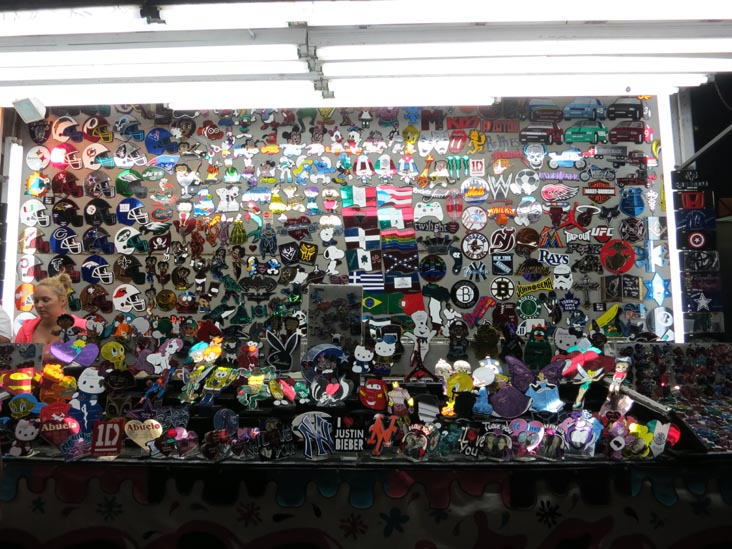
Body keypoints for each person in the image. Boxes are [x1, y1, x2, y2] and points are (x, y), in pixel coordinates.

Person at [15, 274, 86, 344]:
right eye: (36, 301)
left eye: (45, 300)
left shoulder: (83, 327)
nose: (39, 305)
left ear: (62, 301)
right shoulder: (26, 329)